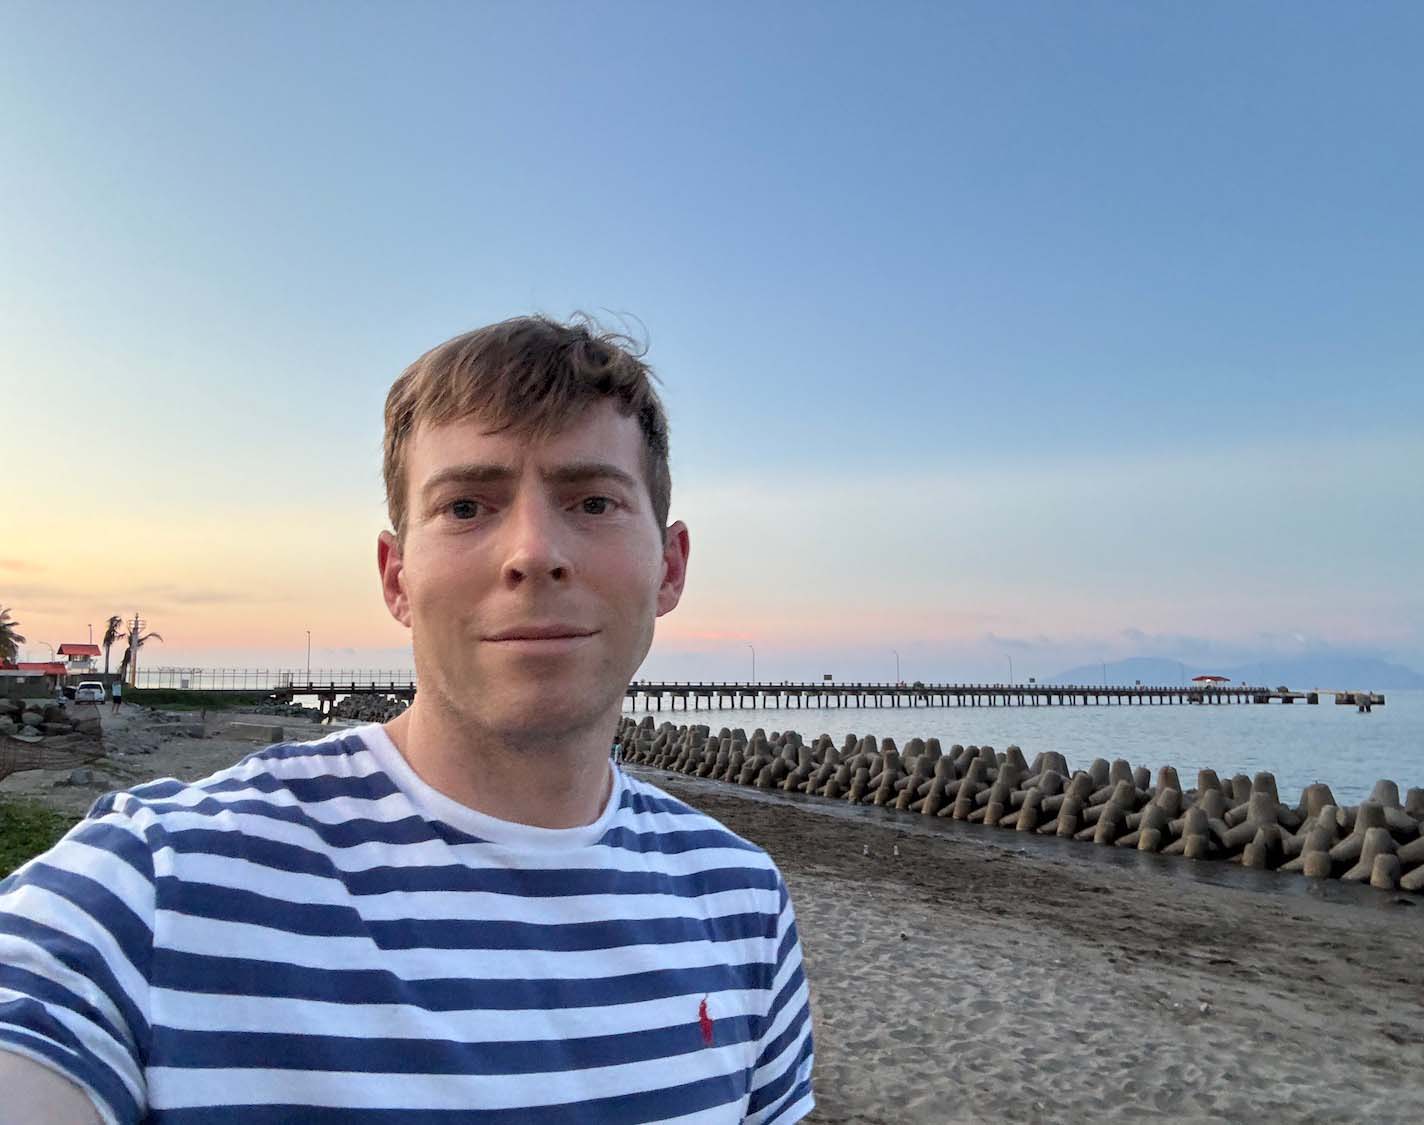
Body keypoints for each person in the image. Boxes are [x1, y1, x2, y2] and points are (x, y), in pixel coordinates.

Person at [0, 316, 815, 1123]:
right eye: (466, 506)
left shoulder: (742, 906)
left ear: (669, 568)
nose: (532, 551)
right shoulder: (159, 883)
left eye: (593, 500)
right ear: (396, 577)